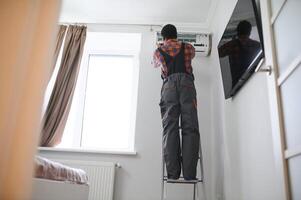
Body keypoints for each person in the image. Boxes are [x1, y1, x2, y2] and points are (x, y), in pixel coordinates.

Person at [153, 24, 200, 180]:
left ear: (164, 37)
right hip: (187, 85)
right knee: (190, 127)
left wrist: (161, 47)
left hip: (169, 87)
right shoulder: (188, 47)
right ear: (176, 35)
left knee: (170, 128)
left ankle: (173, 174)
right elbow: (191, 55)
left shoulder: (158, 51)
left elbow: (155, 64)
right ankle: (189, 174)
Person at [218, 20, 261, 87]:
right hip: (254, 80)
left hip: (238, 84)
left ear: (238, 32)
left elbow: (218, 54)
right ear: (249, 32)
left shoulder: (231, 45)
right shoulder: (257, 45)